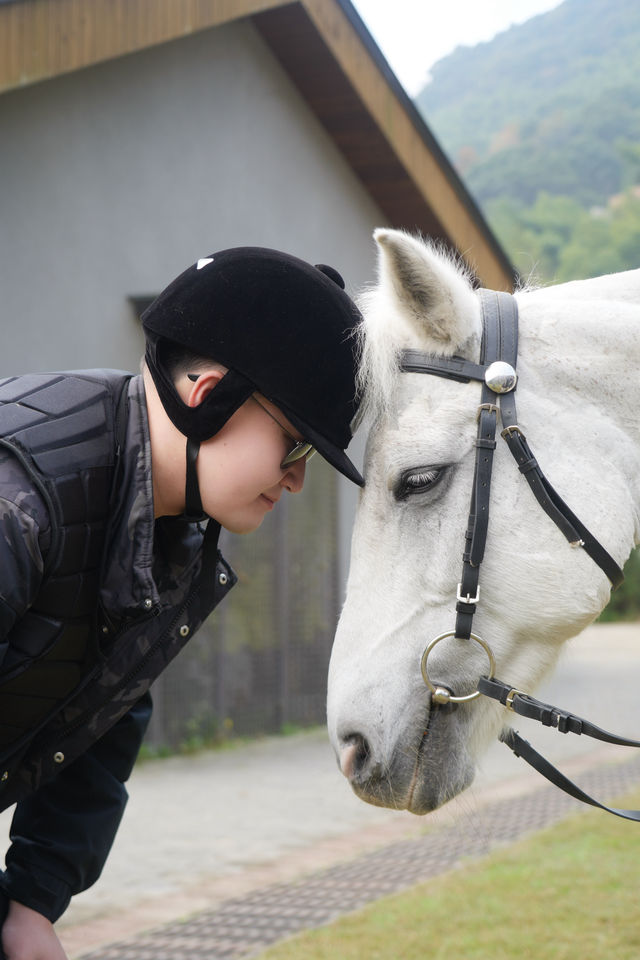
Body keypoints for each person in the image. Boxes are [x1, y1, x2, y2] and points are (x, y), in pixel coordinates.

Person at [0, 246, 364, 958]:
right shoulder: (21, 499)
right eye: (294, 445)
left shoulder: (169, 536)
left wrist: (31, 902)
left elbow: (101, 713)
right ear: (208, 395)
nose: (296, 481)